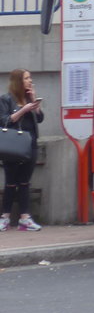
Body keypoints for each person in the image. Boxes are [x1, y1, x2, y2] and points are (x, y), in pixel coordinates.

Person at [0, 68, 44, 231]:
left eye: (30, 78)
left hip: (30, 145)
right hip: (12, 145)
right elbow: (4, 121)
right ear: (18, 81)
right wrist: (24, 109)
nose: (30, 81)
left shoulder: (28, 99)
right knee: (11, 182)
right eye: (26, 78)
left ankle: (25, 218)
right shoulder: (6, 99)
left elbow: (39, 118)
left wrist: (34, 103)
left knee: (25, 182)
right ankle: (5, 217)